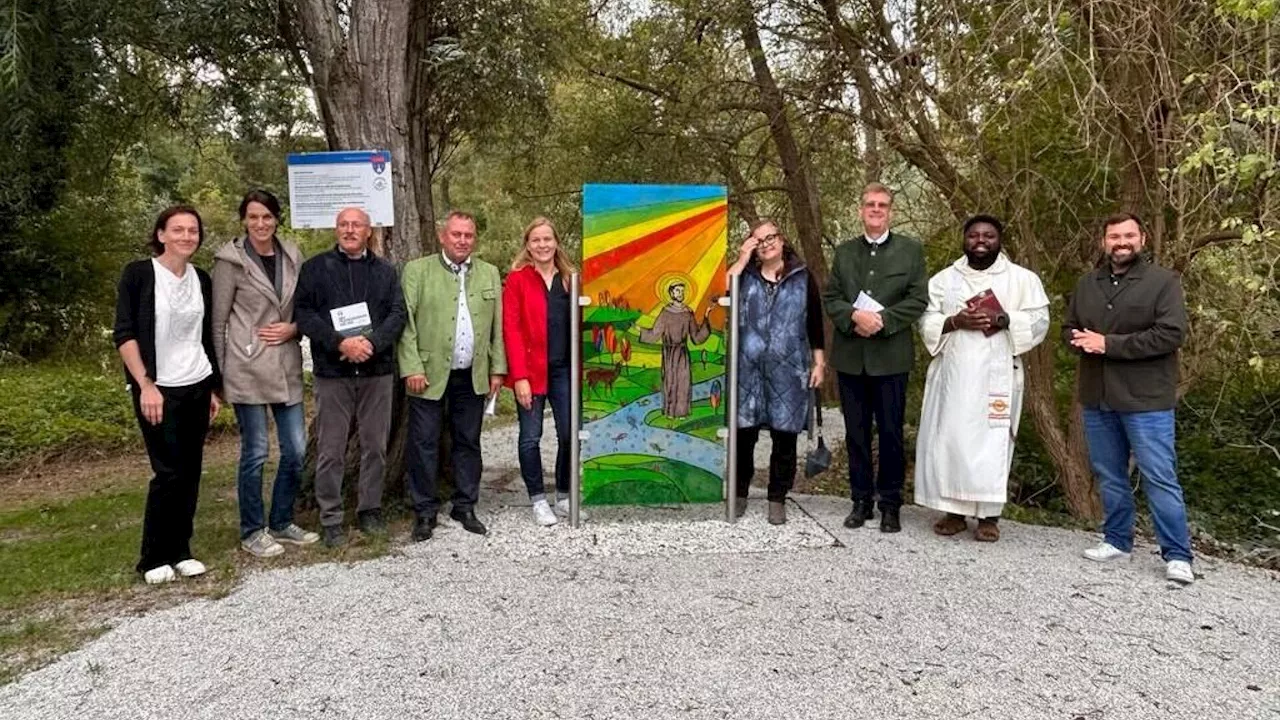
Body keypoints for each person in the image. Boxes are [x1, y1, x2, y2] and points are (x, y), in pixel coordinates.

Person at [1064, 212, 1194, 585]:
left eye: (1128, 236)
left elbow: (1170, 334)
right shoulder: (1088, 283)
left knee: (1159, 475)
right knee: (1109, 474)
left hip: (1146, 400)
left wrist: (1108, 344)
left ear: (1142, 239)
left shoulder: (1163, 282)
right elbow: (1068, 328)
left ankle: (1178, 554)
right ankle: (1117, 539)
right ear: (1104, 241)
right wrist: (1078, 339)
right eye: (1114, 236)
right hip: (1098, 396)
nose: (1121, 242)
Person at [914, 215, 1050, 541]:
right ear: (964, 239)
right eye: (973, 235)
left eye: (988, 235)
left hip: (997, 375)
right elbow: (926, 320)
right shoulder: (945, 279)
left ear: (999, 240)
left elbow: (1039, 321)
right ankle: (954, 512)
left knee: (993, 442)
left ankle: (989, 516)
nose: (980, 240)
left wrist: (1002, 318)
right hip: (955, 375)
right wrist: (955, 321)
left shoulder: (1022, 279)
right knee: (951, 439)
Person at [114, 205, 223, 585]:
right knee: (167, 472)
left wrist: (213, 387)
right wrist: (145, 384)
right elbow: (124, 335)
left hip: (197, 382)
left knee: (191, 471)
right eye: (178, 230)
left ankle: (181, 550)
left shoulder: (202, 279)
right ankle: (152, 557)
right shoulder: (139, 274)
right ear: (161, 234)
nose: (186, 236)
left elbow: (205, 336)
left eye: (193, 230)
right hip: (157, 388)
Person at [211, 190, 318, 558]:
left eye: (267, 217)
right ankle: (252, 529)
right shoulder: (229, 262)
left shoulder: (292, 255)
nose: (261, 224)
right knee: (255, 452)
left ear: (277, 219)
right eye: (253, 217)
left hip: (285, 363)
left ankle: (282, 520)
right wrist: (221, 376)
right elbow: (218, 321)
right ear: (244, 219)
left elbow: (306, 306)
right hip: (246, 367)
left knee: (296, 450)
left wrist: (295, 328)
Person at [294, 207, 406, 548]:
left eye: (357, 225)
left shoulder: (386, 272)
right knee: (331, 449)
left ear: (369, 231)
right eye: (344, 224)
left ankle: (369, 510)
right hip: (333, 373)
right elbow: (303, 314)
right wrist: (340, 342)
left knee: (375, 447)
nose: (350, 230)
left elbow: (397, 314)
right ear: (336, 230)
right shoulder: (314, 269)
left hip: (376, 372)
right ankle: (331, 517)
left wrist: (369, 344)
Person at [822, 182, 928, 533]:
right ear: (861, 210)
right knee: (856, 433)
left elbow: (917, 299)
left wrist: (882, 321)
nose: (876, 209)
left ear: (891, 212)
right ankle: (860, 500)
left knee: (891, 433)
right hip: (852, 357)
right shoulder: (845, 252)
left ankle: (890, 504)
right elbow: (832, 296)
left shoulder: (910, 252)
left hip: (891, 357)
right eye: (870, 204)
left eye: (883, 205)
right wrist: (854, 317)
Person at [399, 211, 506, 541]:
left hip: (472, 374)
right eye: (456, 234)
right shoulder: (418, 271)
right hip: (427, 375)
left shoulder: (488, 273)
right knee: (424, 443)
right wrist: (412, 366)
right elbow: (406, 325)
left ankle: (465, 505)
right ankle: (425, 511)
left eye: (468, 235)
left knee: (468, 443)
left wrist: (497, 369)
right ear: (442, 235)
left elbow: (497, 329)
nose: (462, 240)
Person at [728, 219, 826, 525]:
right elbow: (723, 290)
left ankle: (777, 498)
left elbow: (814, 322)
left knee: (785, 436)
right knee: (744, 436)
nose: (767, 243)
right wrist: (742, 259)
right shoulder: (745, 276)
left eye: (771, 237)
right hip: (747, 368)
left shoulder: (802, 276)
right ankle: (739, 494)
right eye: (759, 240)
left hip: (789, 367)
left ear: (782, 239)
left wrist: (819, 362)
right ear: (753, 248)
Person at [502, 217, 583, 526]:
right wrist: (519, 376)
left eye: (547, 239)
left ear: (556, 242)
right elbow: (512, 329)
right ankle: (538, 500)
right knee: (531, 437)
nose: (542, 245)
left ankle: (563, 496)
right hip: (531, 372)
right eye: (536, 240)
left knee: (568, 434)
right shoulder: (518, 279)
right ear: (528, 245)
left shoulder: (570, 279)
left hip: (564, 371)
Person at [639, 280, 712, 418]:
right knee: (670, 381)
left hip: (683, 354)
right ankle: (670, 413)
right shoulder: (665, 313)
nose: (680, 293)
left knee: (684, 381)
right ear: (671, 293)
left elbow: (696, 337)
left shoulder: (688, 313)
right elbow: (655, 333)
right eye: (677, 291)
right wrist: (640, 331)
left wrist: (706, 317)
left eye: (682, 291)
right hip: (669, 354)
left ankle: (682, 412)